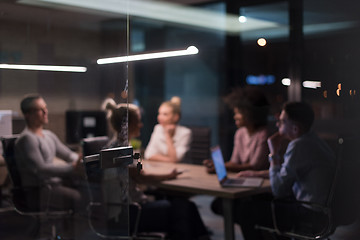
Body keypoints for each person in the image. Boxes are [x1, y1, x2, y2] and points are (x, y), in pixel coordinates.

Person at [104, 102, 210, 240]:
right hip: (131, 213)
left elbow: (139, 175)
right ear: (128, 126)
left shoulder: (117, 146)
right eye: (138, 122)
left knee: (186, 208)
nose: (141, 125)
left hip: (132, 207)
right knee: (183, 210)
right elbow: (142, 177)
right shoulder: (119, 150)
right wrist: (170, 175)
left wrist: (168, 175)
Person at [234, 101, 336, 240]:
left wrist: (274, 153)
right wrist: (257, 174)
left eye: (282, 121)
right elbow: (287, 172)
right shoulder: (314, 140)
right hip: (323, 212)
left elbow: (278, 189)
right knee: (259, 200)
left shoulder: (299, 146)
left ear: (295, 128)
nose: (277, 124)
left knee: (245, 210)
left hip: (309, 214)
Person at [14, 94, 84, 211]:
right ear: (28, 114)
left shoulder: (49, 135)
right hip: (39, 191)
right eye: (40, 110)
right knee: (79, 197)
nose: (45, 112)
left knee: (85, 189)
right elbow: (41, 169)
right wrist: (72, 167)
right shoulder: (27, 139)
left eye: (45, 108)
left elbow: (68, 154)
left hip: (53, 186)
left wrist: (78, 160)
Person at [204, 87, 270, 173]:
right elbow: (234, 162)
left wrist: (223, 167)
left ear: (251, 113)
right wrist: (217, 165)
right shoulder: (240, 133)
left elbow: (254, 166)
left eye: (239, 113)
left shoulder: (263, 134)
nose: (235, 117)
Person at [144, 96, 191, 162]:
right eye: (159, 113)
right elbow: (148, 155)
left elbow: (176, 160)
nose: (160, 117)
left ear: (176, 117)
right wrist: (170, 159)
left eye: (165, 114)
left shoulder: (185, 133)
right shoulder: (158, 128)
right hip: (161, 168)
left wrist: (168, 135)